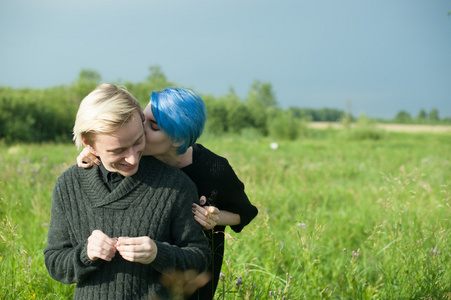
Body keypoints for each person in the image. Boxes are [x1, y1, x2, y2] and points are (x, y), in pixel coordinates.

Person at [77, 87, 258, 300]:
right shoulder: (136, 159)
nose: (140, 130)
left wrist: (216, 217)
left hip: (194, 274)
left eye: (152, 127)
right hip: (145, 276)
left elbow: (245, 213)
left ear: (178, 140)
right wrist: (95, 151)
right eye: (142, 120)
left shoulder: (214, 169)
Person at [44, 83, 210, 299]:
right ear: (89, 144)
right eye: (118, 150)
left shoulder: (176, 185)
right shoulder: (69, 185)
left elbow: (199, 259)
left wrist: (158, 254)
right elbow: (55, 262)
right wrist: (86, 254)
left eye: (138, 141)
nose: (132, 158)